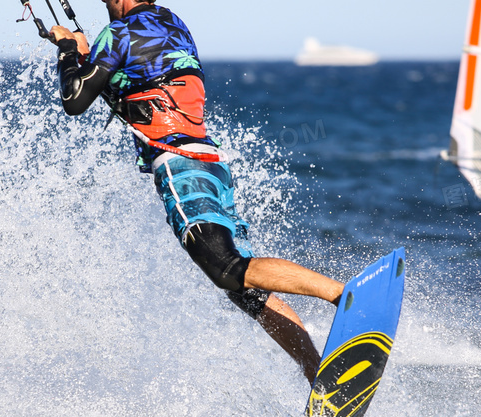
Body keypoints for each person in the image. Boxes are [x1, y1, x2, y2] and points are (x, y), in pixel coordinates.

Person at [47, 0, 344, 385]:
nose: (106, 7)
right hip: (210, 162)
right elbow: (138, 74)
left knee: (225, 269)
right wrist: (90, 56)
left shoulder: (117, 35)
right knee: (247, 290)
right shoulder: (172, 23)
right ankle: (317, 372)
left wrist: (69, 51)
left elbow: (74, 100)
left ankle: (342, 295)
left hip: (179, 166)